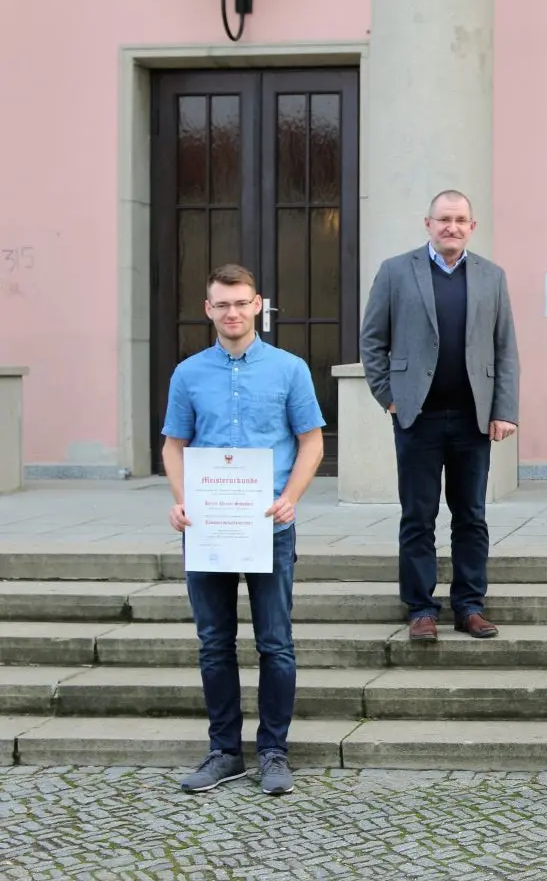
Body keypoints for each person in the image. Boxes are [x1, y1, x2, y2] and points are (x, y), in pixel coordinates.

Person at [162, 264, 325, 795]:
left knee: (275, 642)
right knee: (214, 643)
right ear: (208, 310)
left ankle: (274, 752)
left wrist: (290, 499)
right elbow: (173, 445)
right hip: (207, 527)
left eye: (240, 303)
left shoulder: (289, 369)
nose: (232, 313)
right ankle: (225, 752)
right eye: (221, 305)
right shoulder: (188, 374)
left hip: (268, 526)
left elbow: (311, 441)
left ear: (258, 305)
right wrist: (181, 501)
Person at [359, 189, 520, 642]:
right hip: (417, 417)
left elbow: (505, 348)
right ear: (427, 223)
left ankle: (469, 605)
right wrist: (389, 397)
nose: (451, 226)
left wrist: (504, 409)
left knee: (471, 514)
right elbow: (372, 341)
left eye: (460, 219)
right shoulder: (396, 271)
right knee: (418, 515)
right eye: (443, 219)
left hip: (473, 418)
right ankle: (421, 609)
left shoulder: (491, 276)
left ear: (473, 227)